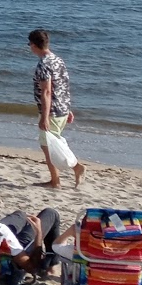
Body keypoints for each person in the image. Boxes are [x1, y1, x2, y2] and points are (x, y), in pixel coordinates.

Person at [30, 29, 86, 189]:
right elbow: (63, 86)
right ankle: (62, 176)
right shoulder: (58, 60)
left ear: (34, 45)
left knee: (48, 146)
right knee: (54, 144)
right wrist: (67, 108)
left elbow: (47, 91)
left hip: (52, 111)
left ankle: (61, 178)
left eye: (30, 44)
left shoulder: (44, 64)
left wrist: (44, 117)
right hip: (61, 108)